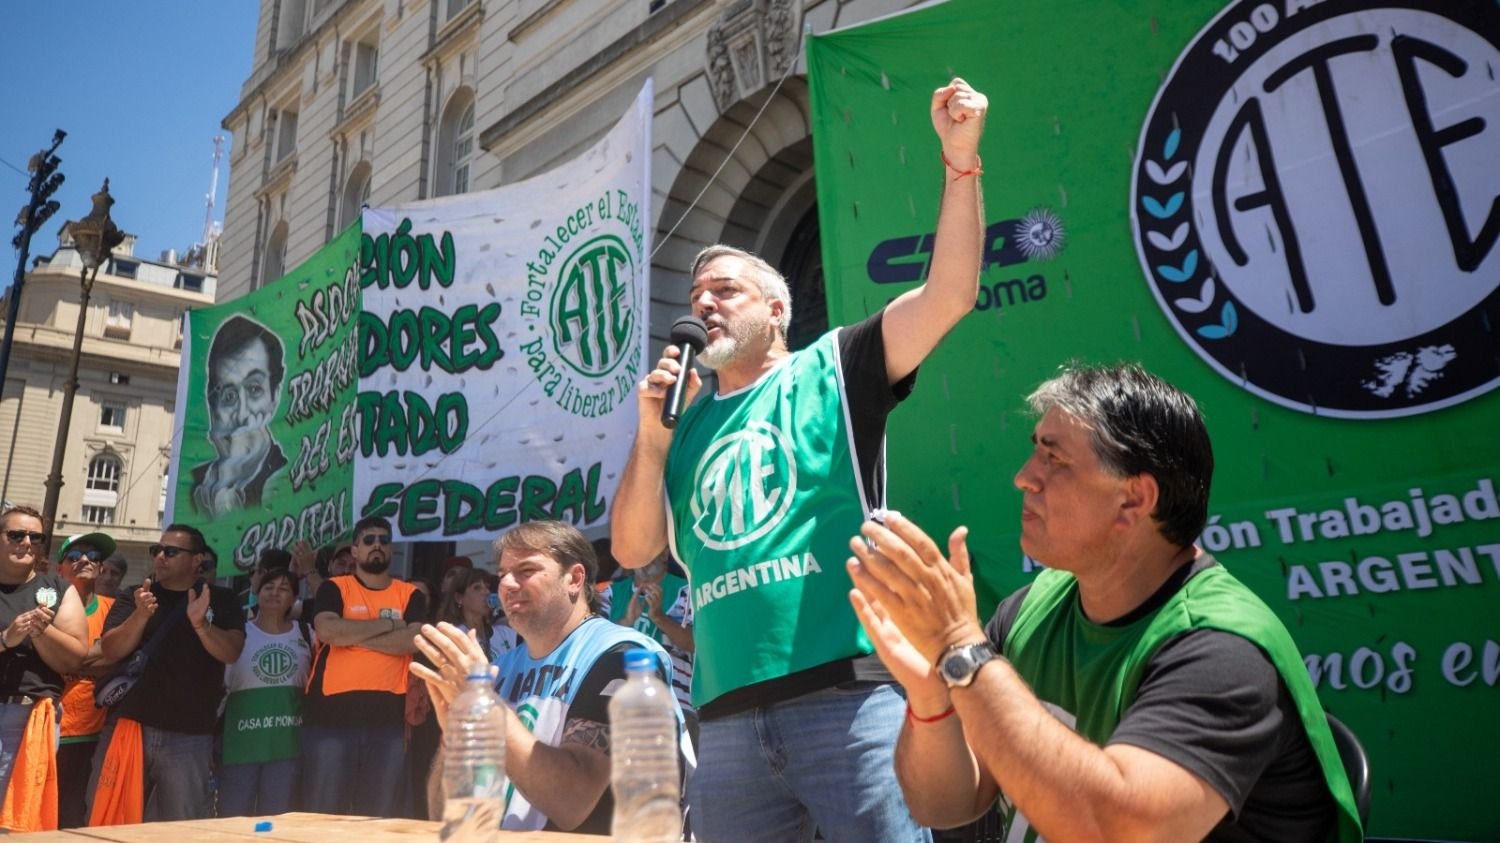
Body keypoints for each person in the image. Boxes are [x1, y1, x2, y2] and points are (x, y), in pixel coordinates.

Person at [611, 77, 987, 841]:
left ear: (777, 309)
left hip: (847, 703)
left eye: (726, 289)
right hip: (723, 724)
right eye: (696, 293)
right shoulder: (680, 424)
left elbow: (948, 295)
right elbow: (631, 548)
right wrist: (651, 437)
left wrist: (960, 163)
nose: (704, 303)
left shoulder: (836, 367)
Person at [845, 364, 1363, 842]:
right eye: (1035, 451)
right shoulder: (1031, 609)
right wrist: (931, 696)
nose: (1024, 476)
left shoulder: (1220, 650)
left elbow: (1116, 830)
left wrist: (961, 648)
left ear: (1134, 500)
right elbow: (943, 804)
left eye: (1055, 458)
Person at [413, 520, 692, 834]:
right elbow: (444, 813)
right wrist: (455, 739)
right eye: (502, 574)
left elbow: (572, 802)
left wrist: (487, 707)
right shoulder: (501, 668)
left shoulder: (622, 656)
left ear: (574, 578)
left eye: (526, 571)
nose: (506, 585)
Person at [95, 524, 246, 821]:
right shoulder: (135, 596)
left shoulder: (222, 600)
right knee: (111, 821)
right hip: (131, 728)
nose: (160, 556)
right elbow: (111, 650)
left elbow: (231, 652)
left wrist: (201, 625)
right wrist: (140, 615)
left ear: (197, 560)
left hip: (189, 736)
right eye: (157, 550)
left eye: (171, 551)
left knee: (182, 828)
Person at [303, 515, 425, 816]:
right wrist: (389, 624)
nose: (377, 546)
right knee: (322, 815)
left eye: (384, 540)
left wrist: (352, 637)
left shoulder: (411, 594)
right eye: (369, 540)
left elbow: (412, 641)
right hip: (330, 719)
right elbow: (328, 632)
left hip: (388, 722)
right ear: (355, 551)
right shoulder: (334, 587)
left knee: (376, 819)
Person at [0, 507, 88, 831]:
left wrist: (43, 632)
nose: (26, 542)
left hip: (29, 718)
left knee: (19, 823)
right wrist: (6, 639)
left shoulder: (59, 589)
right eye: (16, 535)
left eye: (36, 537)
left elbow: (75, 658)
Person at [219, 567, 312, 816]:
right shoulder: (239, 633)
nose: (274, 593)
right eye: (268, 588)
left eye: (283, 589)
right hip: (240, 746)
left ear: (294, 599)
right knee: (233, 822)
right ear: (257, 593)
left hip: (287, 747)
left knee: (278, 823)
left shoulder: (307, 634)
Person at [190, 314, 288, 517]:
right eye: (228, 396)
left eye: (254, 389)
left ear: (275, 396)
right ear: (213, 407)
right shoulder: (191, 486)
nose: (243, 414)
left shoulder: (290, 478)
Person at [54, 531, 119, 828]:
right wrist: (94, 656)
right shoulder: (46, 604)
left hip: (98, 732)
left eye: (93, 556)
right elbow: (46, 662)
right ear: (59, 568)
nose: (85, 561)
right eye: (74, 556)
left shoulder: (114, 609)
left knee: (81, 817)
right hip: (51, 729)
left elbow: (118, 660)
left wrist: (68, 657)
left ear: (102, 567)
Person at [608, 551, 695, 732]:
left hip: (675, 704)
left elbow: (694, 644)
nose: (644, 558)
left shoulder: (686, 588)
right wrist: (627, 621)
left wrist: (659, 617)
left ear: (664, 555)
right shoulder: (609, 592)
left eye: (650, 551)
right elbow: (594, 645)